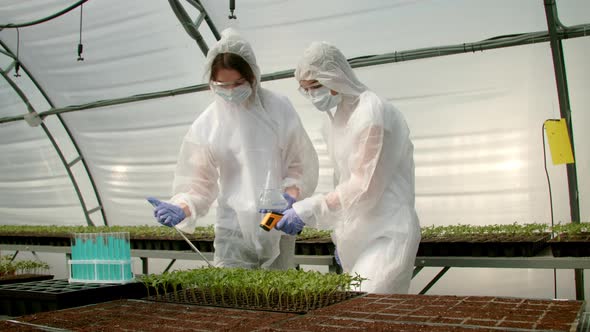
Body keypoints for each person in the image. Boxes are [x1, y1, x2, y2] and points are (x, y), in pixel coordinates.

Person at [148, 28, 319, 270]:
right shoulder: (207, 125)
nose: (231, 91)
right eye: (222, 85)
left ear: (253, 77)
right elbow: (200, 184)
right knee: (233, 298)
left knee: (279, 295)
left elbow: (299, 164)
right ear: (212, 83)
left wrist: (289, 196)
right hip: (232, 227)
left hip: (273, 219)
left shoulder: (278, 109)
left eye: (238, 83)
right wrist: (181, 207)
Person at [274, 41, 421, 294]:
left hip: (387, 230)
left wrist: (310, 209)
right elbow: (342, 182)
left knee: (369, 308)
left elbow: (365, 185)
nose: (313, 96)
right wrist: (341, 235)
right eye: (306, 90)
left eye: (317, 86)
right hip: (357, 235)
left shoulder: (372, 111)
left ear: (336, 76)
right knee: (357, 313)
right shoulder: (334, 121)